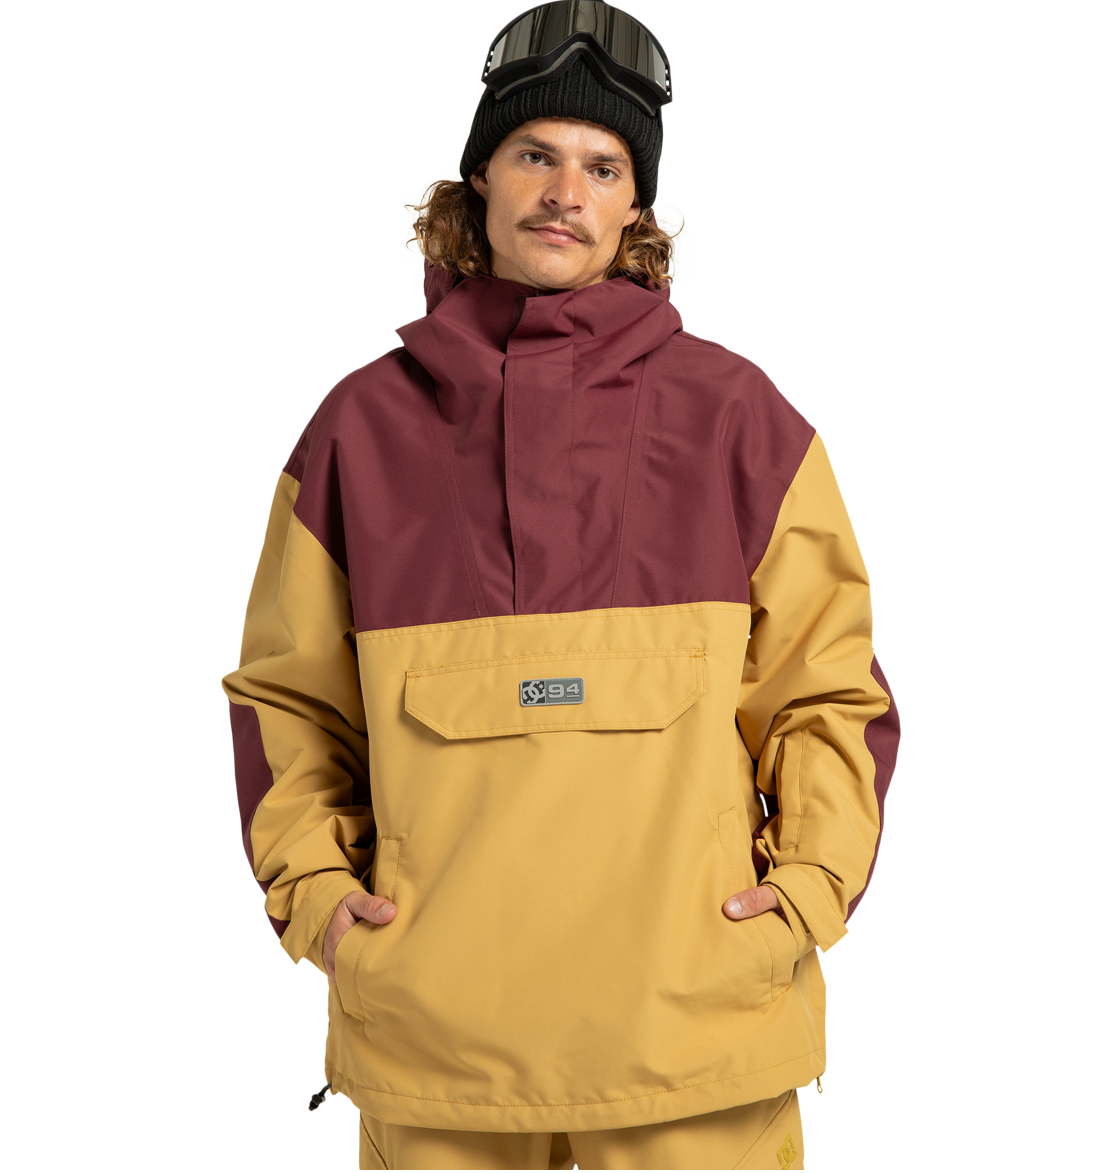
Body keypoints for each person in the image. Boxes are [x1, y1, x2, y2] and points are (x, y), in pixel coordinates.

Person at [222, 3, 899, 1168]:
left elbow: (828, 694)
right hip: (440, 1057)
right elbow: (289, 702)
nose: (564, 192)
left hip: (697, 1046)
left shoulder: (737, 419)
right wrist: (319, 896)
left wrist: (805, 894)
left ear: (635, 208)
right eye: (536, 153)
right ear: (480, 177)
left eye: (603, 167)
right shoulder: (358, 431)